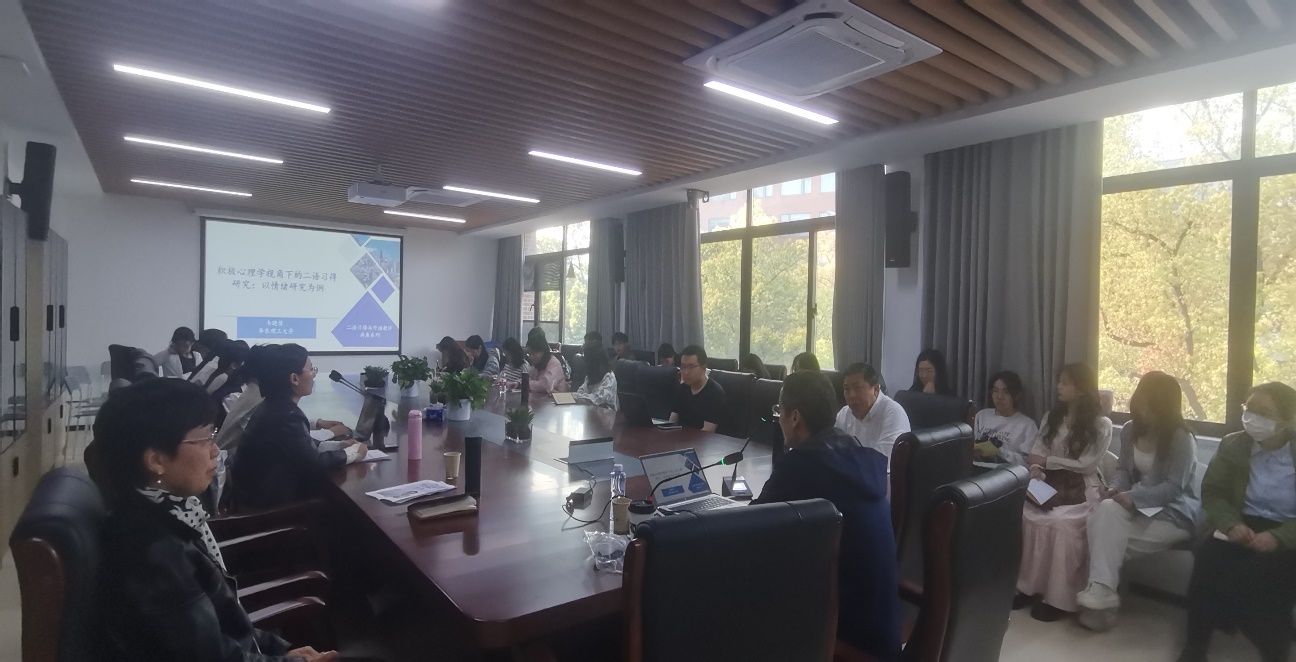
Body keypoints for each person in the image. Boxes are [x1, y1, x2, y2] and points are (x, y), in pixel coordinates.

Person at [88, 378, 339, 661]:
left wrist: (279, 650)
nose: (215, 450)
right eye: (204, 439)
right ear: (156, 460)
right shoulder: (153, 552)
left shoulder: (165, 513)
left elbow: (222, 627)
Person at [753, 371, 900, 660]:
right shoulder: (858, 454)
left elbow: (749, 529)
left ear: (795, 417)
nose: (779, 420)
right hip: (884, 634)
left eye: (780, 411)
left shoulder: (800, 465)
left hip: (846, 640)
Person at [1180, 382, 1296, 662]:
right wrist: (1231, 524)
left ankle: (1274, 652)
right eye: (1249, 408)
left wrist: (1279, 537)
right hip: (1241, 522)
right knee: (1208, 559)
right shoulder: (1233, 444)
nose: (1253, 418)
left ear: (1287, 419)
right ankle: (1195, 648)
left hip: (1287, 529)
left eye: (1264, 413)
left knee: (1259, 575)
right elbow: (1214, 492)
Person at [1077, 371, 1200, 629]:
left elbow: (1174, 488)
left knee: (1102, 535)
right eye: (1141, 402)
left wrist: (1133, 497)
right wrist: (1114, 489)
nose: (1143, 410)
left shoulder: (1181, 438)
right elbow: (1123, 470)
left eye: (1151, 405)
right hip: (1136, 507)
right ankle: (1103, 595)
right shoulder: (1130, 430)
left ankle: (1101, 600)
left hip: (1173, 513)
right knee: (1106, 511)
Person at [1017, 363, 1113, 621]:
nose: (1059, 386)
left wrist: (1048, 461)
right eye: (1059, 381)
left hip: (1084, 488)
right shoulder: (1051, 417)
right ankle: (1028, 587)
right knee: (1026, 515)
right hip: (1049, 482)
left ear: (1081, 388)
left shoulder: (1101, 424)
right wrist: (1038, 467)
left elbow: (1086, 464)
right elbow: (1037, 452)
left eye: (1065, 382)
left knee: (1060, 524)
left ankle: (1058, 599)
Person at [228, 344, 365, 510]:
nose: (314, 375)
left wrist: (339, 445)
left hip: (258, 497)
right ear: (294, 378)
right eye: (311, 369)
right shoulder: (286, 414)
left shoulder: (274, 406)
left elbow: (300, 447)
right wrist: (352, 453)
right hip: (270, 508)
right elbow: (314, 463)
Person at [835, 363, 910, 460]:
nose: (851, 395)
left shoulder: (893, 413)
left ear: (875, 389)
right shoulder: (844, 413)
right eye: (847, 389)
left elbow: (882, 461)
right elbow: (833, 450)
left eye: (857, 388)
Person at [973, 371, 1039, 466]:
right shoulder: (982, 415)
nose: (999, 397)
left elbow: (1027, 462)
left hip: (1005, 471)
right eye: (995, 391)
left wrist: (1000, 452)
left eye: (1006, 392)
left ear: (1016, 395)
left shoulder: (1027, 425)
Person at [669, 345, 726, 432]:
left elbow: (707, 431)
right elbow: (672, 422)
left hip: (703, 439)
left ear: (703, 367)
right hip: (680, 438)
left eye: (691, 367)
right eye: (683, 367)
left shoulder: (715, 393)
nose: (686, 372)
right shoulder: (682, 388)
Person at [574, 341, 618, 410]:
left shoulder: (609, 377)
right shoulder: (591, 375)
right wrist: (575, 396)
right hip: (590, 412)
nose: (585, 364)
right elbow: (580, 391)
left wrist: (575, 396)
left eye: (587, 360)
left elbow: (597, 399)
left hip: (607, 414)